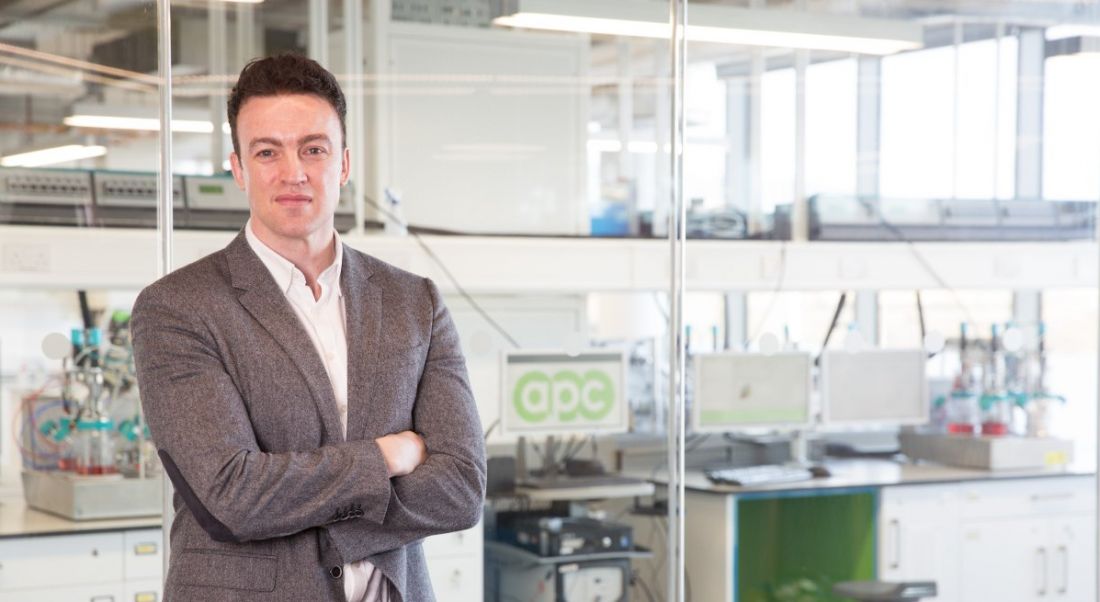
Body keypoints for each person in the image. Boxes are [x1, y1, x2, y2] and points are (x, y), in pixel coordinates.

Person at [131, 53, 486, 601]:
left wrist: (296, 505)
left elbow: (462, 488)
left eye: (313, 149)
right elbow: (234, 495)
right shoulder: (178, 309)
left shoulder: (415, 301)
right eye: (267, 151)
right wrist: (387, 458)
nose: (292, 172)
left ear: (343, 164)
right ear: (238, 168)